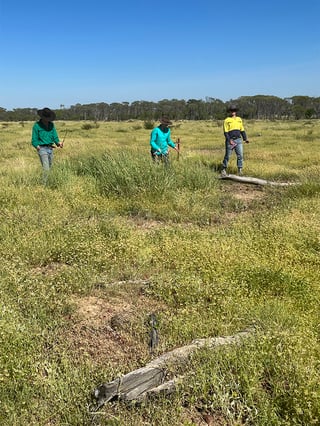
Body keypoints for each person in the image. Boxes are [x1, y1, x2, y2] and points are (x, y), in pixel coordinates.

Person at [31, 107, 63, 182]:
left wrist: (59, 143)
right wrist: (37, 146)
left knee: (51, 168)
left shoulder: (51, 125)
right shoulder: (37, 126)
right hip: (42, 149)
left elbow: (55, 136)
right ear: (42, 117)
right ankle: (44, 185)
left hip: (50, 148)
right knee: (46, 168)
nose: (48, 120)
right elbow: (34, 139)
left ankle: (49, 182)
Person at [221, 105, 249, 176]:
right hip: (230, 140)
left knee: (240, 155)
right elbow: (226, 132)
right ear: (229, 111)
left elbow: (242, 130)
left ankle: (240, 170)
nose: (233, 112)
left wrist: (245, 138)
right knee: (227, 156)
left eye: (234, 110)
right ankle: (223, 169)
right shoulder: (226, 120)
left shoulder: (239, 119)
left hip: (238, 140)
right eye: (232, 110)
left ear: (236, 111)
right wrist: (229, 140)